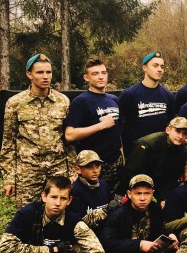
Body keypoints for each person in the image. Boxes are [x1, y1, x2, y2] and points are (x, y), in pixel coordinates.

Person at [0, 54, 73, 206]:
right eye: (40, 72)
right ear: (29, 74)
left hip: (57, 168)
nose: (45, 76)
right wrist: (9, 178)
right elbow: (8, 142)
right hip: (28, 172)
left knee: (59, 211)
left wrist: (73, 172)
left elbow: (69, 141)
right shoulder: (15, 103)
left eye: (48, 72)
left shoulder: (63, 101)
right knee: (28, 214)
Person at [100, 175, 178, 253]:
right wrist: (139, 245)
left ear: (152, 193)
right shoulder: (118, 214)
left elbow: (160, 228)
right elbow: (107, 242)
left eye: (147, 193)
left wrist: (169, 235)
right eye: (138, 193)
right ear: (129, 194)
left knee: (172, 248)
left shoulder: (154, 208)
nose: (142, 198)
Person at [64, 58, 122, 189]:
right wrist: (100, 126)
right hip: (92, 165)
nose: (100, 77)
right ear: (86, 77)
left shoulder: (114, 100)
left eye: (103, 73)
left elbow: (119, 132)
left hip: (114, 164)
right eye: (95, 74)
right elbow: (69, 135)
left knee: (112, 199)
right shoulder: (81, 101)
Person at [120, 117, 187, 205]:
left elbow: (172, 178)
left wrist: (163, 198)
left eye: (184, 133)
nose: (180, 136)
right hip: (136, 188)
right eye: (177, 131)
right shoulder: (147, 144)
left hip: (159, 189)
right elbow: (131, 173)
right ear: (168, 130)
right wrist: (146, 196)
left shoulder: (183, 151)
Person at [119, 51, 175, 157]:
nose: (160, 69)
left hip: (159, 152)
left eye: (162, 67)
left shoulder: (168, 96)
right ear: (144, 68)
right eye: (155, 65)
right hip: (135, 153)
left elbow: (170, 122)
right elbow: (121, 124)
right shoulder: (129, 94)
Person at [69, 150, 113, 231]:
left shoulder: (103, 184)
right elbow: (79, 223)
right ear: (78, 169)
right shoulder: (74, 191)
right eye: (89, 167)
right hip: (88, 233)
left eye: (98, 166)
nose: (95, 171)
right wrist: (106, 209)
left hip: (106, 230)